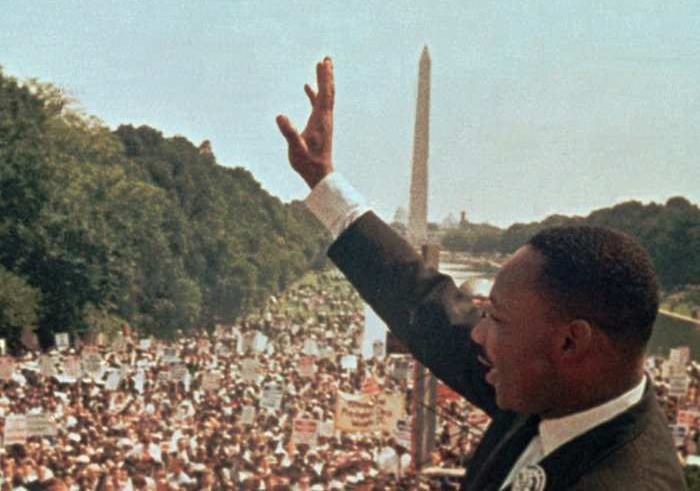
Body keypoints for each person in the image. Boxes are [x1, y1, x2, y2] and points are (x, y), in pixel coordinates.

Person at [276, 57, 686, 490]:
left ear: (570, 341)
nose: (475, 333)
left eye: (496, 318)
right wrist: (323, 182)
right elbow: (428, 307)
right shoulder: (557, 391)